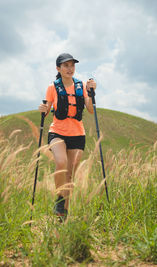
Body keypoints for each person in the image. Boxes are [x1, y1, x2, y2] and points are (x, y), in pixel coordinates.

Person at [38, 53, 96, 221]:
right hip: (57, 131)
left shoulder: (81, 85)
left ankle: (63, 216)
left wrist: (92, 92)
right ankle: (59, 199)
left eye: (72, 65)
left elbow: (90, 110)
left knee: (70, 176)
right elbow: (47, 110)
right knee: (61, 162)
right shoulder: (52, 87)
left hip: (78, 134)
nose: (70, 69)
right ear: (58, 68)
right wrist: (42, 108)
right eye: (66, 66)